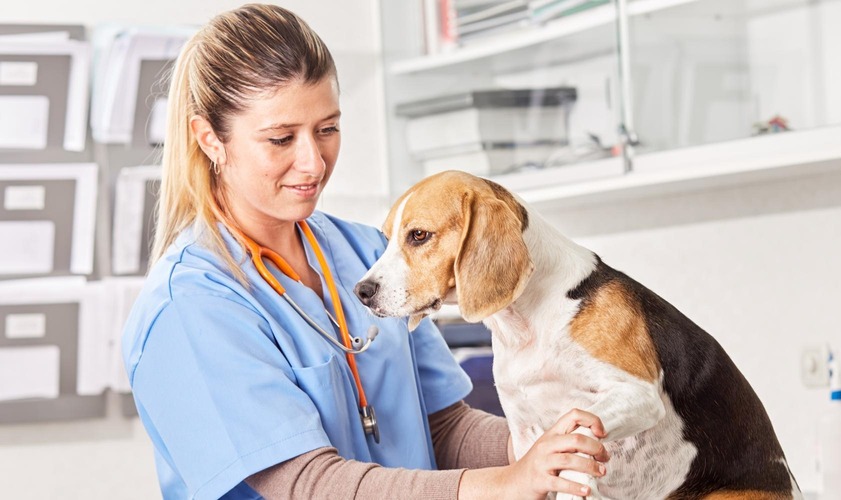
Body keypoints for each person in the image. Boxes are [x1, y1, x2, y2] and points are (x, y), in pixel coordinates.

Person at [121, 4, 609, 499]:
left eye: (327, 129)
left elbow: (443, 429)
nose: (313, 161)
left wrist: (544, 451)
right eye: (282, 138)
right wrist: (506, 483)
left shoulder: (367, 251)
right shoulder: (188, 306)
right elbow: (308, 485)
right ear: (210, 140)